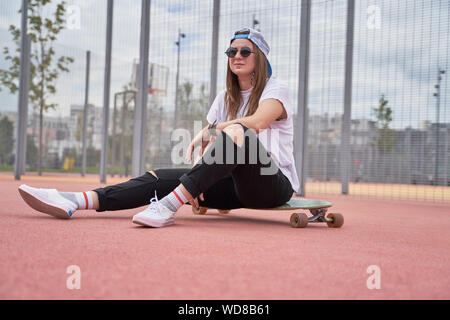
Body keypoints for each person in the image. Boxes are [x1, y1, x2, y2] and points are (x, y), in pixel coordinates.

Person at [18, 27, 300, 228]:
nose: (236, 55)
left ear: (259, 58)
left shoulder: (276, 88)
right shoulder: (225, 97)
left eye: (245, 51)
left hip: (271, 183)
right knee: (158, 177)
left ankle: (166, 207)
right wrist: (199, 177)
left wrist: (216, 129)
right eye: (231, 51)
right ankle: (75, 200)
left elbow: (258, 122)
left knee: (240, 131)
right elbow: (215, 148)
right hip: (234, 188)